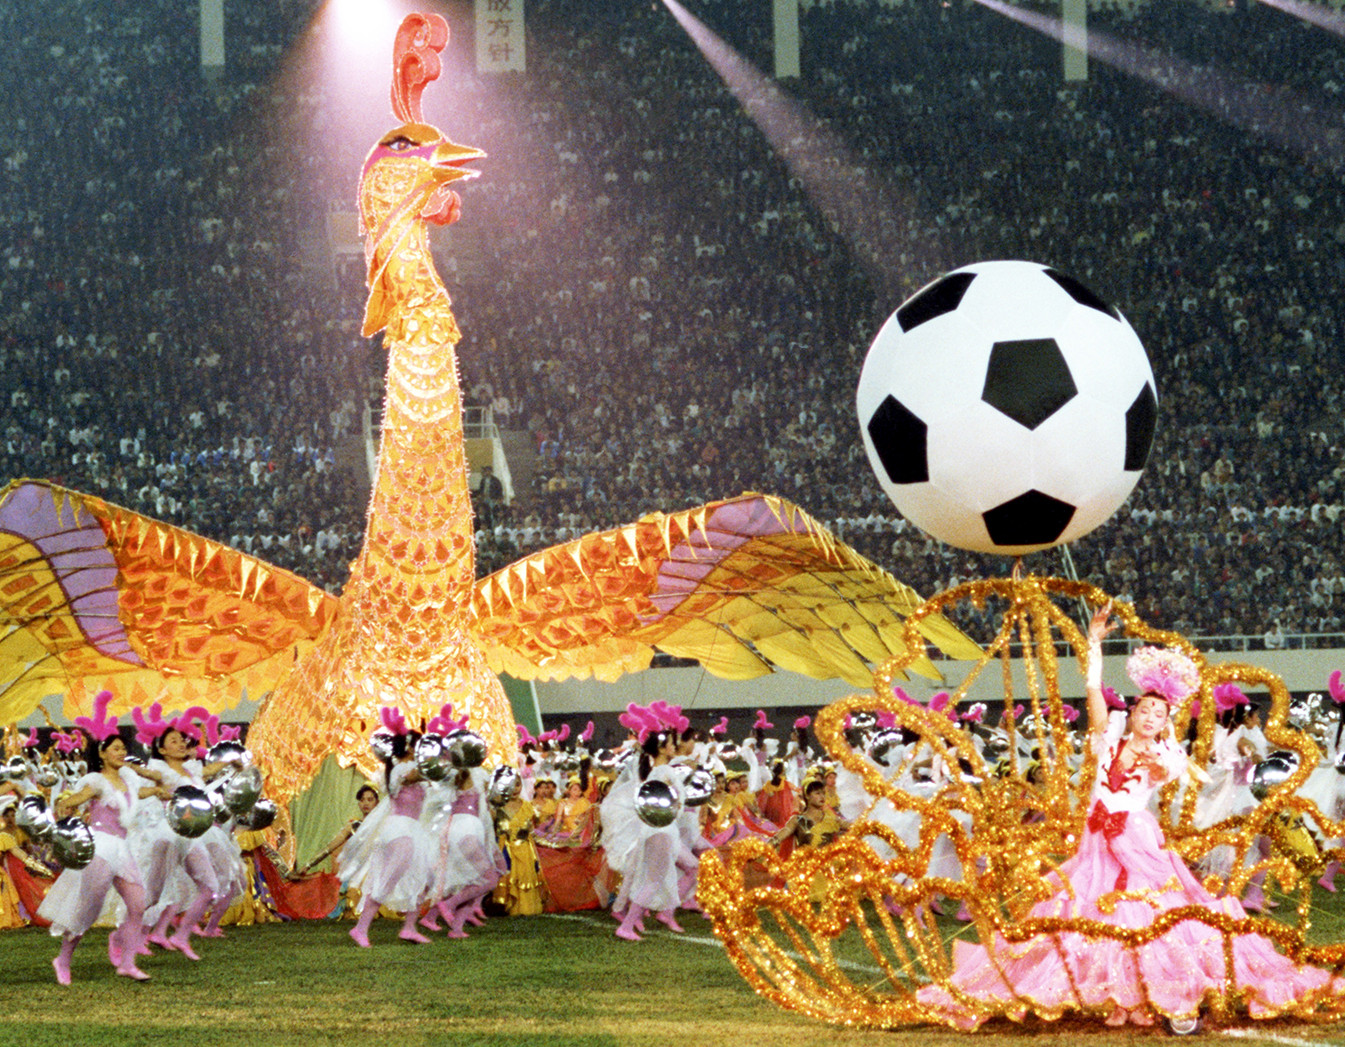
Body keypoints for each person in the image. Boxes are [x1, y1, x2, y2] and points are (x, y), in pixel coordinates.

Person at [916, 602, 1344, 1030]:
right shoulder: (1109, 739)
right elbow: (1092, 695)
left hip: (1136, 838)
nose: (1150, 718)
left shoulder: (1167, 753)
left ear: (1164, 722)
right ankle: (1105, 988)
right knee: (1082, 910)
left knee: (1147, 912)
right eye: (1144, 710)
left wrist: (1160, 763)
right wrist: (1094, 645)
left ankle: (1157, 989)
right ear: (1134, 712)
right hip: (1096, 839)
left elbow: (1167, 769)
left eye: (1159, 714)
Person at [39, 720, 165, 983]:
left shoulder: (128, 779)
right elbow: (79, 796)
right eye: (116, 748)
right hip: (100, 848)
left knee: (138, 905)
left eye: (123, 748)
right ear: (102, 753)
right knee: (88, 909)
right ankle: (62, 960)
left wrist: (157, 791)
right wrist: (68, 804)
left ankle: (128, 963)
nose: (121, 753)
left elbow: (137, 792)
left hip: (123, 848)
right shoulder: (96, 781)